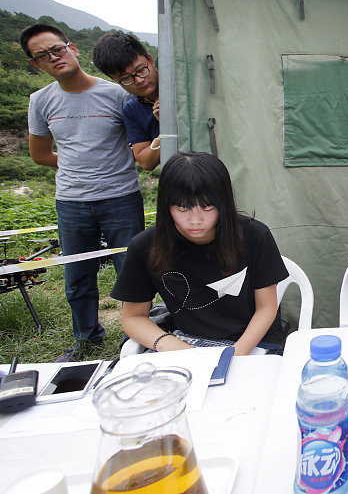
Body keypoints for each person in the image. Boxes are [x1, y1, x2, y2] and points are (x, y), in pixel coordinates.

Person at [21, 23, 145, 361]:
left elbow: (139, 140)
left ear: (72, 48)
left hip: (121, 196)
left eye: (57, 49)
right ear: (36, 64)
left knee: (132, 270)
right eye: (43, 56)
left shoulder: (117, 94)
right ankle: (86, 340)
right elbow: (40, 154)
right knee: (77, 275)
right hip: (71, 201)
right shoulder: (40, 101)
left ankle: (139, 338)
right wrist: (76, 166)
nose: (53, 58)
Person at [112, 152, 289, 355]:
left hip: (253, 342)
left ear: (223, 203)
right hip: (184, 341)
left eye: (207, 207)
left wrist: (233, 354)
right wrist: (170, 345)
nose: (195, 219)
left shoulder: (255, 236)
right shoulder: (146, 245)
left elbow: (266, 308)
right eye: (182, 208)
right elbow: (132, 317)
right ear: (166, 205)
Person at [92, 31, 161, 170]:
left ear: (150, 60)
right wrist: (166, 128)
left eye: (141, 70)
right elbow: (146, 162)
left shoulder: (181, 83)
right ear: (115, 80)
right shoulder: (132, 109)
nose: (139, 80)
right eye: (126, 78)